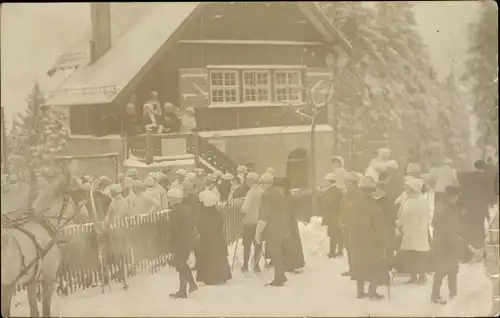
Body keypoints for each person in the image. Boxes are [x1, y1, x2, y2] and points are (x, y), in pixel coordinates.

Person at [345, 175, 389, 300]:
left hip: (356, 241)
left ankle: (360, 292)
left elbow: (346, 221)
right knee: (374, 266)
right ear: (372, 192)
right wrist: (383, 243)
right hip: (371, 243)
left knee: (359, 266)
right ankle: (372, 291)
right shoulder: (375, 208)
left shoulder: (352, 205)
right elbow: (379, 229)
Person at [255, 172, 290, 287]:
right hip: (282, 226)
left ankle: (279, 278)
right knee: (278, 251)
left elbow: (264, 216)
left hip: (272, 228)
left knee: (275, 252)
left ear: (265, 184)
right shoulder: (279, 194)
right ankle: (281, 275)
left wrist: (258, 232)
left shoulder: (267, 195)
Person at [396, 177, 432, 284]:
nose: (406, 190)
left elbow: (425, 217)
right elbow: (401, 213)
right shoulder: (406, 199)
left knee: (419, 254)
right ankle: (412, 275)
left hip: (418, 232)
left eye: (408, 188)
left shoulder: (421, 201)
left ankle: (421, 275)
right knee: (410, 254)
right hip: (408, 231)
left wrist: (421, 229)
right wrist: (399, 224)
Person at [430, 185, 462, 305]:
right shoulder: (448, 209)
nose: (457, 198)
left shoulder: (441, 205)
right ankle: (450, 294)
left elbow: (434, 223)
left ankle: (439, 294)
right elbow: (449, 228)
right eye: (456, 196)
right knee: (449, 270)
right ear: (452, 196)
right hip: (447, 243)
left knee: (442, 270)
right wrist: (455, 241)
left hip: (440, 242)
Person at [196, 190, 232, 285]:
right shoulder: (216, 213)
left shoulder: (204, 214)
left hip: (208, 240)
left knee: (210, 258)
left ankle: (211, 277)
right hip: (217, 239)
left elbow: (203, 226)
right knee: (218, 257)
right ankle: (221, 276)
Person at [167, 188, 198, 299]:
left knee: (180, 264)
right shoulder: (185, 208)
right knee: (182, 263)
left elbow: (174, 230)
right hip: (188, 239)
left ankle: (182, 290)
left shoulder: (175, 212)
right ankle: (191, 285)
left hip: (180, 241)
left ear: (174, 199)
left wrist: (170, 243)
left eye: (169, 198)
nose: (168, 200)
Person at [459, 160, 492, 250]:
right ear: (484, 168)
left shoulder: (468, 177)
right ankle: (479, 244)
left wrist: (463, 204)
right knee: (479, 224)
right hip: (480, 205)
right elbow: (488, 193)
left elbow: (463, 190)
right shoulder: (486, 178)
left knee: (470, 222)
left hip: (469, 204)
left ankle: (469, 243)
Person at [276, 176, 306, 272]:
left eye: (280, 187)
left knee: (291, 244)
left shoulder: (288, 197)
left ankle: (294, 264)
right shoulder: (281, 196)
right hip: (285, 223)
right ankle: (288, 264)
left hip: (289, 223)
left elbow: (290, 210)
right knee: (286, 244)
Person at [240, 172, 264, 273]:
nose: (246, 181)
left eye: (248, 179)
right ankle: (256, 265)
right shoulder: (261, 191)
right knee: (258, 243)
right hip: (259, 220)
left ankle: (245, 265)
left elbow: (245, 207)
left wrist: (241, 212)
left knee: (247, 244)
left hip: (249, 220)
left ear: (252, 181)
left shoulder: (251, 192)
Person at [339, 171, 361, 277]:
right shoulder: (349, 193)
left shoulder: (354, 193)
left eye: (348, 182)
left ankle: (355, 270)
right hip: (348, 224)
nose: (347, 184)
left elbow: (348, 209)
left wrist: (343, 220)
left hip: (352, 224)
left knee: (353, 247)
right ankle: (353, 269)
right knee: (350, 247)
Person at [323, 173, 344, 258]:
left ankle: (332, 252)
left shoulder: (331, 192)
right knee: (339, 234)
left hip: (332, 215)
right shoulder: (339, 191)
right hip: (339, 215)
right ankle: (340, 251)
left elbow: (329, 204)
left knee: (332, 234)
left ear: (329, 181)